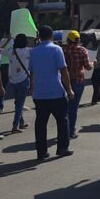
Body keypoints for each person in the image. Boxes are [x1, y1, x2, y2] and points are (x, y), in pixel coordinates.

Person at [29, 26, 75, 160]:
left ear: (39, 36)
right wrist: (69, 89)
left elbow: (31, 72)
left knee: (40, 124)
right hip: (56, 92)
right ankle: (62, 148)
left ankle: (41, 152)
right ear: (51, 36)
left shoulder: (34, 51)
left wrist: (32, 87)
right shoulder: (56, 49)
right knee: (62, 121)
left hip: (40, 93)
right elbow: (63, 70)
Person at [63, 30, 91, 139]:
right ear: (78, 40)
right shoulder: (82, 50)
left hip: (65, 81)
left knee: (65, 107)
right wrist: (94, 63)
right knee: (74, 107)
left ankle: (64, 129)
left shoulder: (63, 50)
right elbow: (88, 66)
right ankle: (71, 131)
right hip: (78, 80)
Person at [8, 34, 32, 133]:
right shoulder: (28, 51)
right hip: (23, 80)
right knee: (20, 104)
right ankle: (15, 126)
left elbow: (2, 49)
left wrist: (10, 40)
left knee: (18, 102)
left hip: (12, 80)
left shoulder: (10, 51)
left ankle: (21, 122)